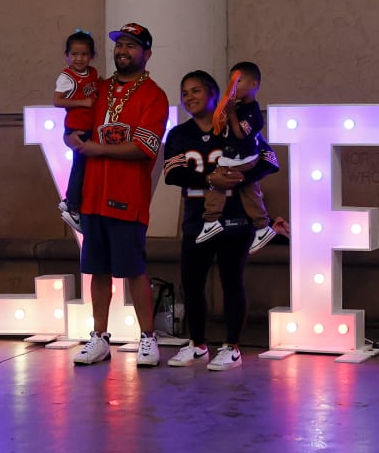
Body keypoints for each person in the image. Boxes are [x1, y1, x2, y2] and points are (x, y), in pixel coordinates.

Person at [67, 23, 169, 368]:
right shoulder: (98, 88)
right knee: (97, 270)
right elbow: (75, 124)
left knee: (134, 269)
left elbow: (144, 147)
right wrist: (74, 138)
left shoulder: (154, 96)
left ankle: (148, 338)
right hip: (93, 194)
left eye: (131, 45)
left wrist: (96, 148)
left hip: (128, 197)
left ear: (147, 53)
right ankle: (99, 337)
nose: (123, 51)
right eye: (119, 44)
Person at [163, 69, 279, 370]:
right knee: (192, 282)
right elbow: (172, 174)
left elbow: (269, 159)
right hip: (197, 219)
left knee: (231, 281)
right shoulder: (179, 134)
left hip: (235, 218)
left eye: (196, 90)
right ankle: (198, 343)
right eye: (184, 93)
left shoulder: (235, 126)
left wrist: (241, 178)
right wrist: (210, 178)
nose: (189, 97)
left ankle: (232, 346)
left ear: (216, 94)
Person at [196, 61, 276, 253]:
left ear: (254, 84)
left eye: (239, 81)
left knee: (217, 181)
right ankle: (262, 225)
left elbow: (240, 133)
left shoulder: (253, 112)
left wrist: (231, 113)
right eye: (232, 82)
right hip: (235, 155)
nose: (234, 87)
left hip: (242, 158)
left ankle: (211, 220)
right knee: (249, 191)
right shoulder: (239, 107)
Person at [54, 30, 98, 234]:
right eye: (74, 54)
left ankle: (71, 200)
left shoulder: (92, 73)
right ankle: (73, 207)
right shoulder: (67, 77)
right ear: (67, 55)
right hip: (76, 128)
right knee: (80, 166)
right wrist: (82, 102)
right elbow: (57, 100)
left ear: (91, 56)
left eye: (84, 54)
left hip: (90, 127)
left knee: (87, 167)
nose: (79, 59)